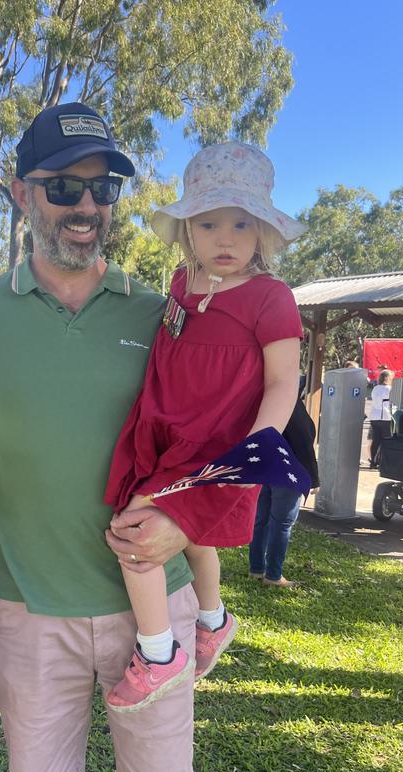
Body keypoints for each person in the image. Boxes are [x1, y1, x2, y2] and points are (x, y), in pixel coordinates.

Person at [0, 102, 198, 772]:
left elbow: (210, 444)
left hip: (154, 606)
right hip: (29, 609)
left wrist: (186, 522)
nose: (86, 207)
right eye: (63, 188)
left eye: (103, 188)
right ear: (20, 193)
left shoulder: (160, 315)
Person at [104, 142, 305, 710]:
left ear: (263, 230)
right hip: (164, 430)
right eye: (209, 222)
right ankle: (213, 620)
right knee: (191, 539)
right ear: (187, 228)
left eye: (242, 223)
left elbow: (282, 381)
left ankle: (159, 652)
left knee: (135, 537)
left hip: (221, 445)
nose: (225, 237)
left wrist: (258, 447)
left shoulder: (271, 297)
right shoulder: (179, 284)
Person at [248, 384, 319, 587]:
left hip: (264, 468)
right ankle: (273, 575)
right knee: (281, 524)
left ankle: (256, 569)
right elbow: (303, 439)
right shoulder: (287, 402)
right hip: (289, 471)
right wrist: (313, 479)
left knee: (260, 520)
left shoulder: (260, 399)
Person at [368, 369, 394, 468]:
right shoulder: (389, 389)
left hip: (374, 416)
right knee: (386, 440)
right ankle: (384, 462)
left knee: (376, 440)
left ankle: (373, 462)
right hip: (385, 416)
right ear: (387, 378)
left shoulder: (375, 388)